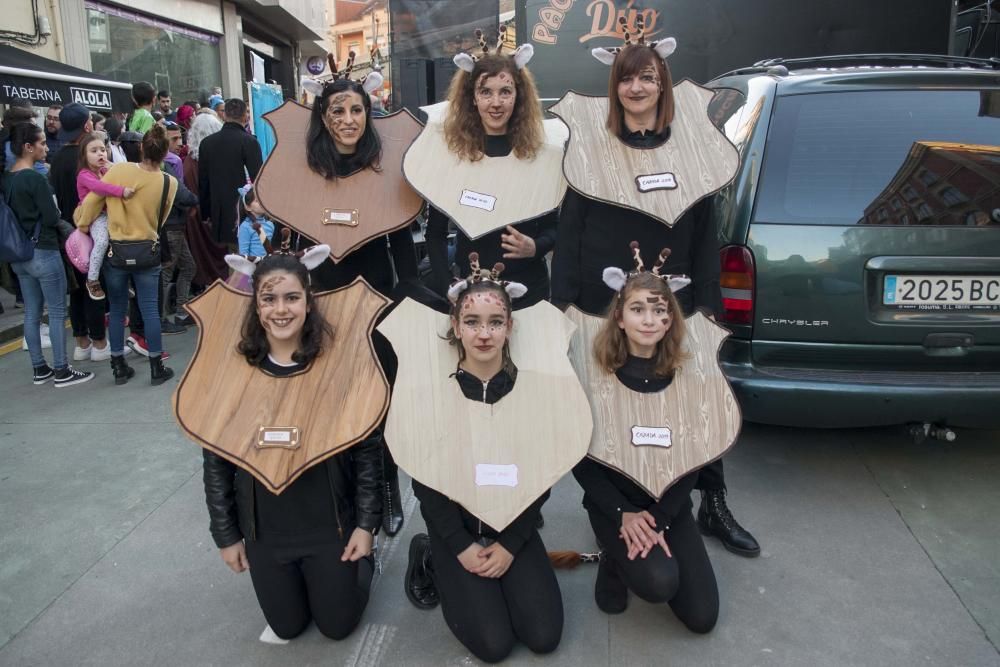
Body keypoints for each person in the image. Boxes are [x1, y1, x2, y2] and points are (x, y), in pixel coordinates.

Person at [550, 36, 760, 557]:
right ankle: (609, 505)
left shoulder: (691, 146)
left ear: (662, 84)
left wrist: (707, 304)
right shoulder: (593, 146)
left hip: (673, 303)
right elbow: (571, 230)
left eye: (647, 77)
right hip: (605, 302)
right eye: (627, 77)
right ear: (614, 86)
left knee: (694, 403)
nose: (637, 87)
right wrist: (562, 307)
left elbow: (705, 231)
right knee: (606, 402)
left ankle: (711, 502)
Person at [202, 250, 380, 642]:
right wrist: (226, 534)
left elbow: (367, 448)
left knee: (336, 627)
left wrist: (366, 525)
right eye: (268, 299)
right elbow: (216, 458)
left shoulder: (336, 365)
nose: (280, 310)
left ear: (308, 299)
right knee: (287, 627)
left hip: (328, 524)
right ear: (256, 304)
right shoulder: (236, 371)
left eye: (291, 297)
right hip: (266, 532)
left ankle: (364, 566)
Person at [408, 270, 562, 663]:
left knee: (543, 636)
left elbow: (541, 472)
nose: (484, 333)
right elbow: (425, 478)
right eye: (472, 322)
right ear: (456, 327)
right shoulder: (433, 393)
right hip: (454, 529)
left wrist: (512, 542)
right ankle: (429, 555)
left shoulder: (530, 391)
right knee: (494, 646)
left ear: (510, 328)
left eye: (495, 323)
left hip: (511, 523)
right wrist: (458, 545)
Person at [572, 258, 718, 630]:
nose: (649, 319)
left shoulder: (686, 378)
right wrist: (623, 513)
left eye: (659, 310)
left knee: (702, 618)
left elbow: (694, 454)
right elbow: (580, 457)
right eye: (638, 309)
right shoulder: (595, 376)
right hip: (613, 505)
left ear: (670, 319)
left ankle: (632, 548)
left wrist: (661, 517)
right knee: (658, 582)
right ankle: (613, 558)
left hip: (667, 504)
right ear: (620, 317)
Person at [304, 77, 419, 536]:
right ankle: (343, 498)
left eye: (355, 111)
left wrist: (409, 293)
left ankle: (386, 494)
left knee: (381, 400)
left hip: (376, 299)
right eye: (337, 111)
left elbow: (401, 235)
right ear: (324, 118)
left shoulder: (383, 167)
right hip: (324, 298)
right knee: (334, 401)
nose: (348, 120)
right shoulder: (307, 170)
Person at [423, 43, 558, 310]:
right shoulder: (454, 157)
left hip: (530, 294)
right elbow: (434, 233)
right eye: (486, 92)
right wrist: (447, 284)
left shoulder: (540, 155)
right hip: (473, 294)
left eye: (505, 92)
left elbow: (559, 226)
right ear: (472, 97)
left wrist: (536, 246)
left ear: (518, 96)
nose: (496, 103)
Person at [74, 126, 184, 385]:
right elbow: (162, 218)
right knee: (150, 311)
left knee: (117, 308)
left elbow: (92, 202)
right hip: (147, 250)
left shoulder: (119, 171)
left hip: (116, 252)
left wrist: (81, 224)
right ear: (165, 153)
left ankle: (118, 366)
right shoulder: (169, 182)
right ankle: (157, 367)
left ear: (142, 148)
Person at [3, 123, 94, 387]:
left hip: (19, 255)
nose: (46, 147)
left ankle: (39, 368)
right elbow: (53, 216)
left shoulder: (7, 178)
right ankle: (62, 369)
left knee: (32, 312)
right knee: (55, 312)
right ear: (28, 147)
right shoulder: (35, 178)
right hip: (43, 250)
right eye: (42, 143)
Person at [49, 102, 109, 362]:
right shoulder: (85, 159)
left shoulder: (56, 158)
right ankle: (99, 343)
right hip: (90, 230)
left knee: (76, 290)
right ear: (87, 125)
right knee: (94, 286)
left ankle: (81, 342)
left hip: (66, 233)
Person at [75, 132, 135, 302]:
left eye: (103, 149)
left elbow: (124, 176)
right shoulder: (84, 174)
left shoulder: (104, 169)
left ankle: (125, 281)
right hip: (95, 216)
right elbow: (101, 188)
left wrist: (113, 168)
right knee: (101, 242)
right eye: (93, 151)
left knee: (124, 241)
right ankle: (92, 279)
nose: (100, 153)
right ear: (84, 155)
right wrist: (122, 192)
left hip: (110, 213)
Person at [198, 98, 263, 245]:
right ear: (245, 117)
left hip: (219, 211)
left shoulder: (207, 143)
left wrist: (206, 213)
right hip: (246, 211)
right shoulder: (249, 142)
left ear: (224, 116)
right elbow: (258, 179)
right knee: (249, 255)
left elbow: (203, 182)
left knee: (231, 255)